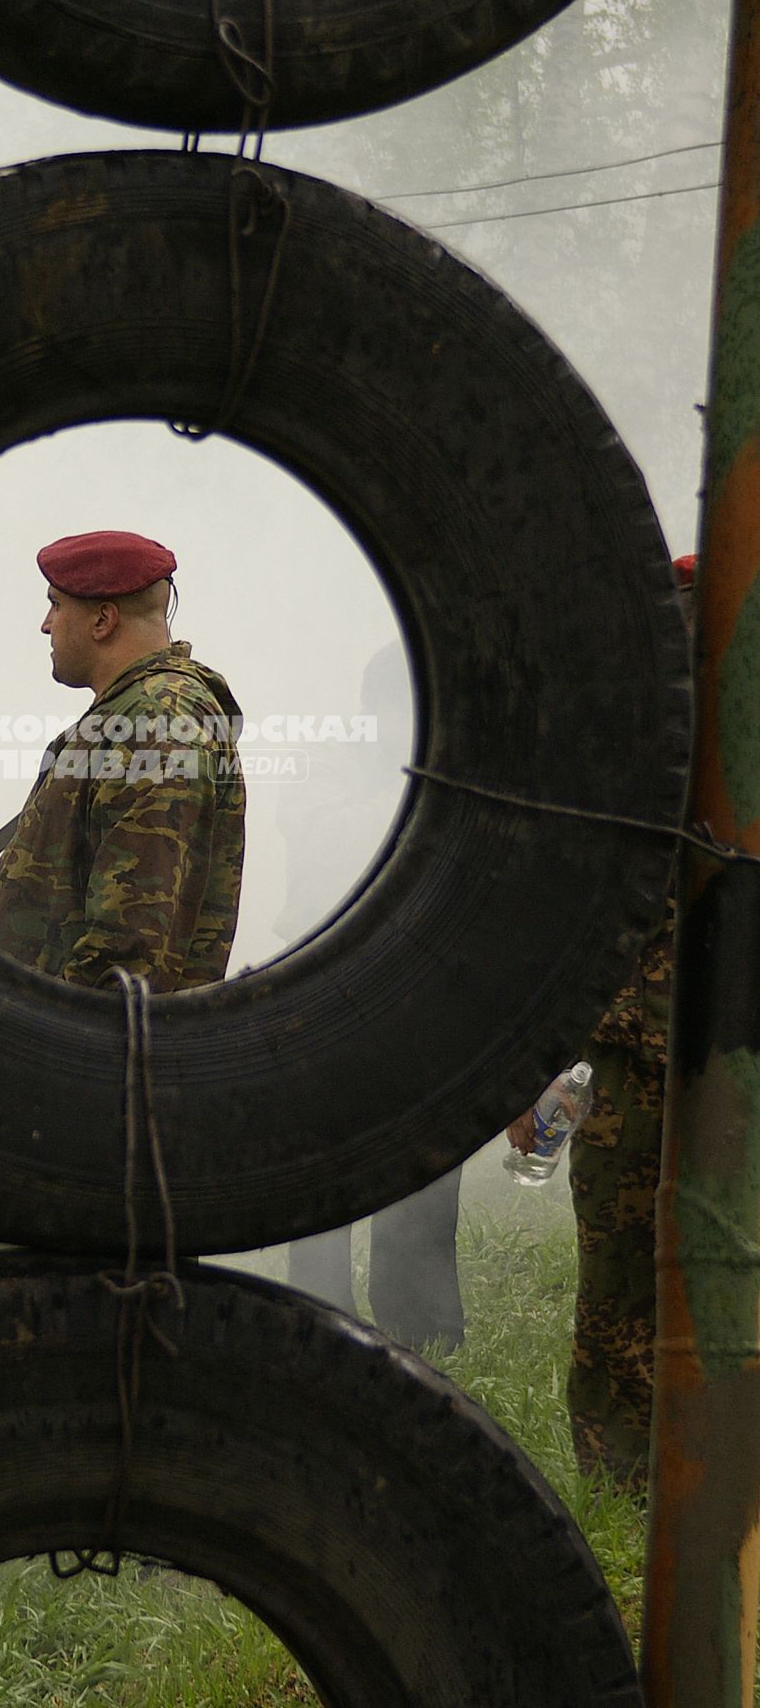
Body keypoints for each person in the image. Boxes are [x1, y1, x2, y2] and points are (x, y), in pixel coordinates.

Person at [507, 552, 694, 1487]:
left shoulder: (627, 733)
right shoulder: (621, 743)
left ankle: (646, 1472)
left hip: (653, 1054)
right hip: (635, 1058)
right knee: (627, 1280)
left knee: (630, 1280)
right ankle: (637, 1479)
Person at [280, 642, 466, 1352]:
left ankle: (424, 1338)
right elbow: (330, 846)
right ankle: (312, 1327)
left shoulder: (454, 773)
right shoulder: (329, 768)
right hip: (327, 990)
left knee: (423, 1170)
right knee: (321, 1171)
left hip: (425, 990)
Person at [0, 530, 246, 992]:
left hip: (82, 1051)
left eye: (56, 605)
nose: (46, 624)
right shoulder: (131, 717)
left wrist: (48, 1039)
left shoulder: (156, 722)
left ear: (103, 620)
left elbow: (127, 958)